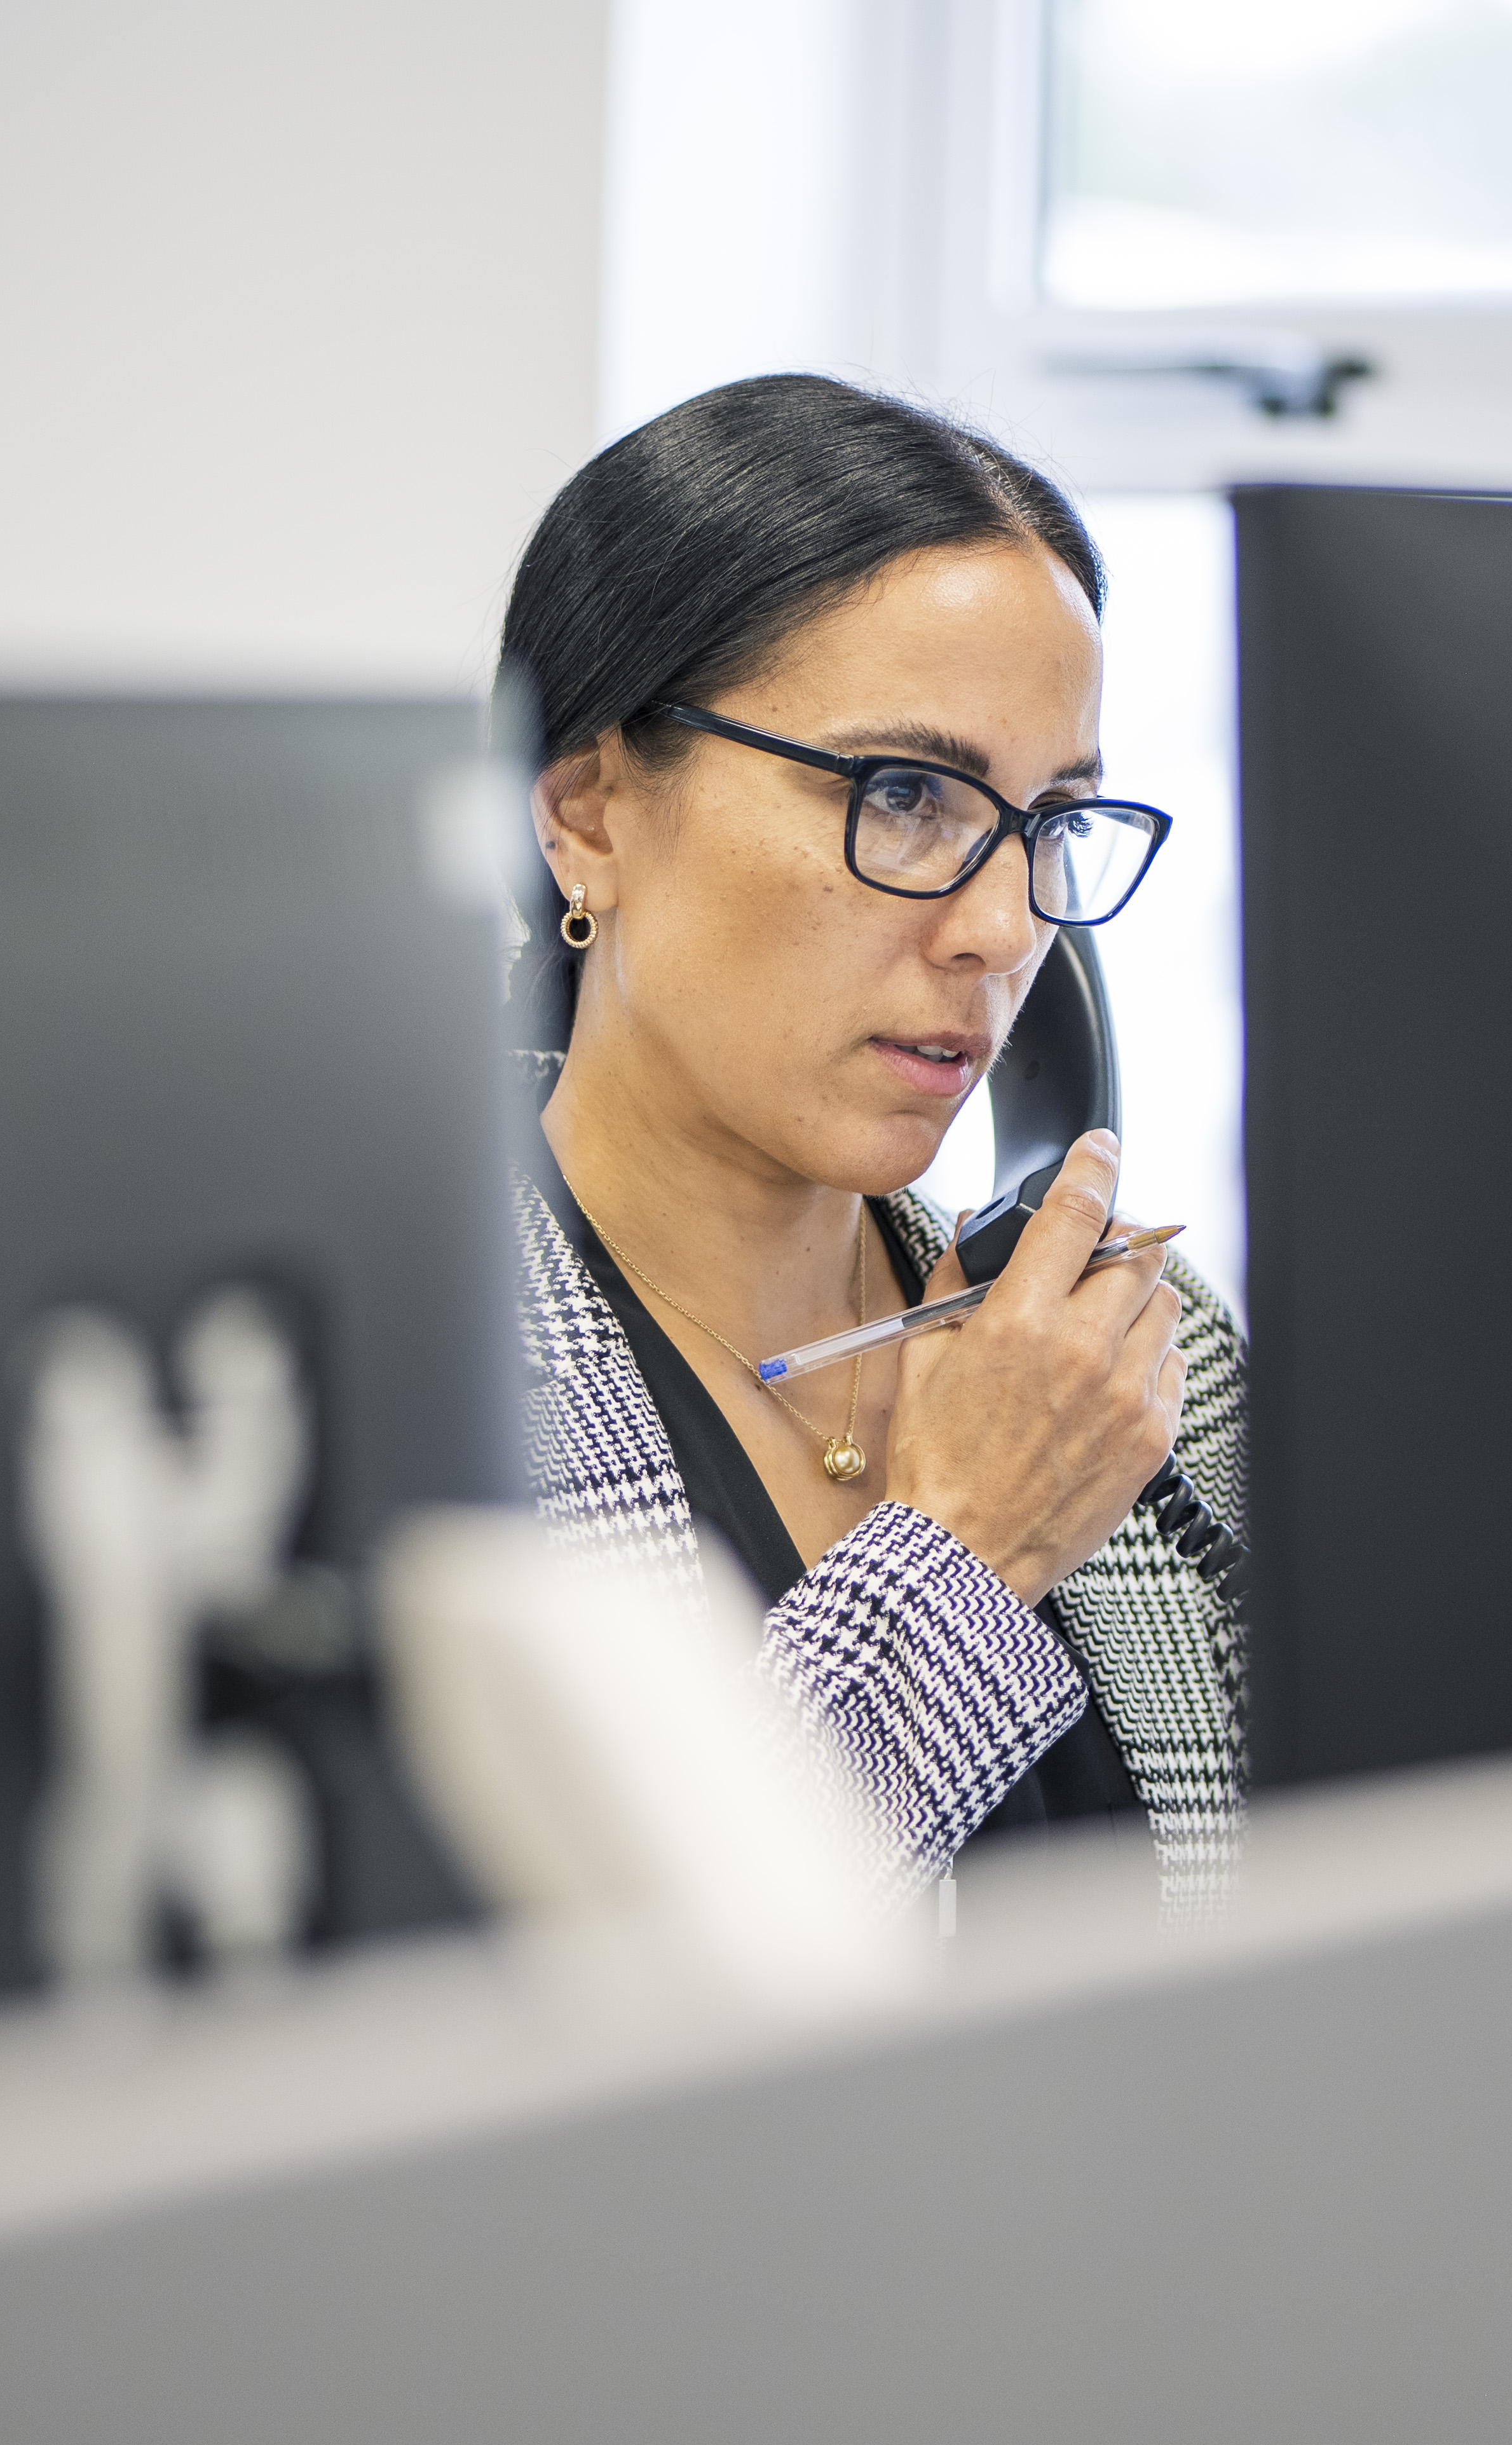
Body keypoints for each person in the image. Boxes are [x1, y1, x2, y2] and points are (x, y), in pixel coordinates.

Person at [498, 373, 1247, 1916]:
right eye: (906, 794)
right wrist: (965, 1545)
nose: (1005, 931)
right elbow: (597, 1988)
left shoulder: (1132, 1355)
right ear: (588, 812)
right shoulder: (415, 1398)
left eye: (1050, 824)